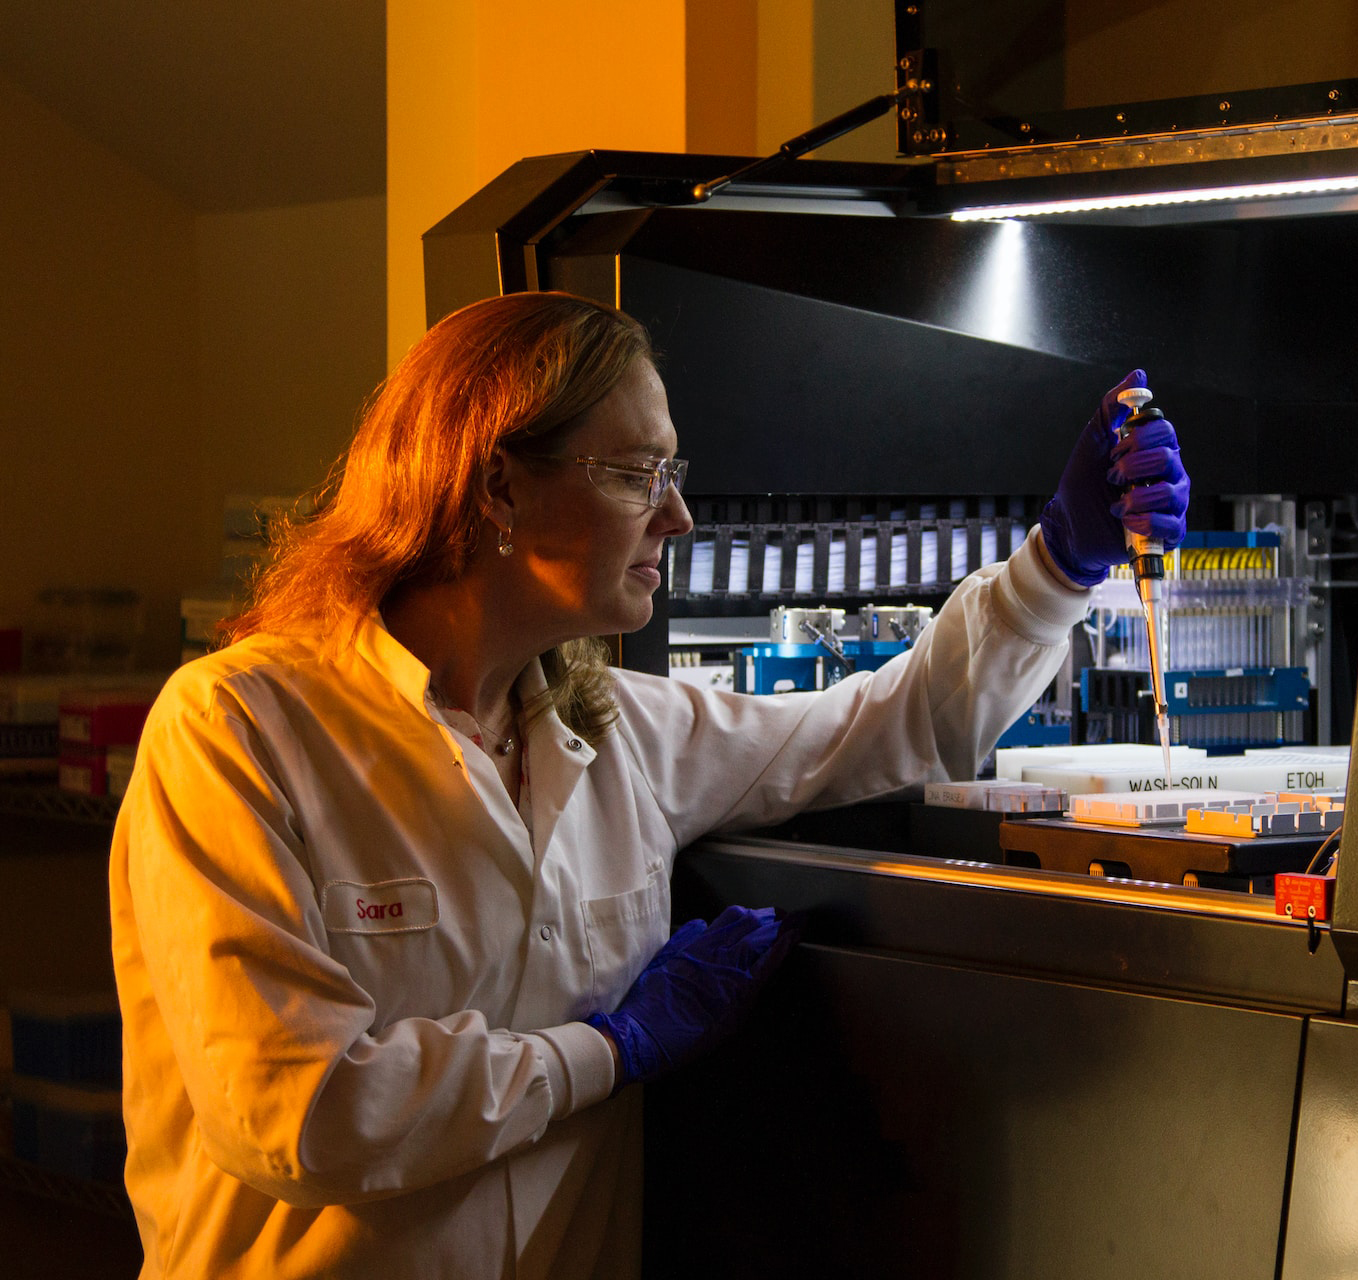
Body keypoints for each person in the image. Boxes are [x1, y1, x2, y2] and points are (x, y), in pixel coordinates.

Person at [109, 290, 1189, 1280]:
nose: (676, 518)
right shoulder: (239, 728)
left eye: (671, 474)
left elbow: (891, 720)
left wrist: (1059, 562)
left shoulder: (612, 726)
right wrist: (606, 1049)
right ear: (496, 484)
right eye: (636, 474)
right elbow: (296, 1108)